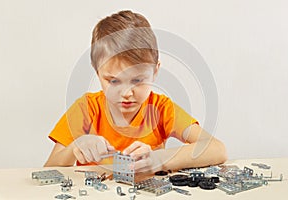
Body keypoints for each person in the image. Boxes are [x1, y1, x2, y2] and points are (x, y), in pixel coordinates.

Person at [44, 10, 227, 173]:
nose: (126, 93)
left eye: (137, 80)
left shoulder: (161, 109)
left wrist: (159, 159)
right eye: (113, 81)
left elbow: (217, 149)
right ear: (97, 72)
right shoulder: (86, 108)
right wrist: (76, 145)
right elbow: (49, 169)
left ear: (155, 71)